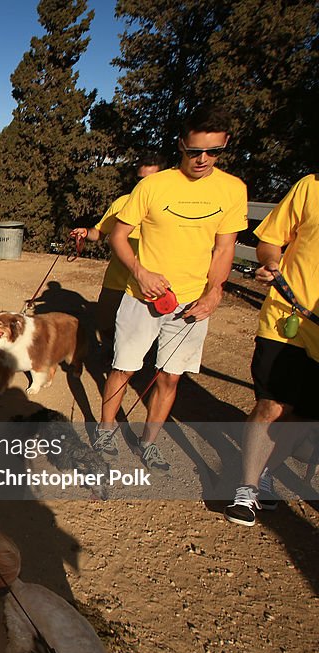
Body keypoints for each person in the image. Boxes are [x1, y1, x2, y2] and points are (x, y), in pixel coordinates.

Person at [92, 107, 247, 471]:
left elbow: (225, 248)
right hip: (141, 296)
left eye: (213, 152)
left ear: (224, 147)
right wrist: (140, 271)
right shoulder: (153, 186)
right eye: (195, 152)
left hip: (192, 301)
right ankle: (106, 429)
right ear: (182, 144)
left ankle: (149, 442)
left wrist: (215, 292)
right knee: (124, 367)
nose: (203, 160)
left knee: (170, 376)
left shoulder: (232, 189)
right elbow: (118, 235)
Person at [225, 173, 319, 526]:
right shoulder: (311, 186)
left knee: (305, 415)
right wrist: (271, 263)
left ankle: (267, 471)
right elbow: (269, 239)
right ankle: (247, 488)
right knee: (272, 403)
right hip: (288, 317)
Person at [70, 153, 165, 349]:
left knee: (146, 331)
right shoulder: (123, 202)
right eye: (140, 180)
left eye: (150, 180)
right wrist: (86, 232)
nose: (144, 185)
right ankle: (112, 353)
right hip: (117, 280)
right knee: (105, 323)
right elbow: (100, 232)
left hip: (150, 282)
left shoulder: (169, 207)